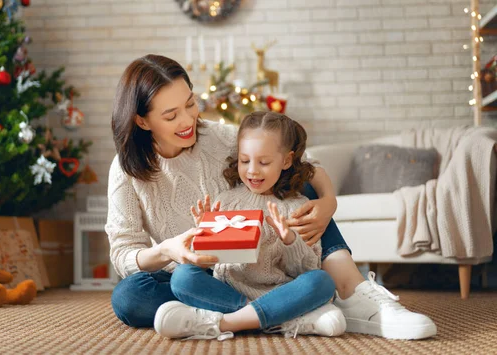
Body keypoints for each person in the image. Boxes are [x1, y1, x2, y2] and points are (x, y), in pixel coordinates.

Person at [106, 54, 436, 340]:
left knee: (286, 174)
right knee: (129, 297)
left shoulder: (216, 137)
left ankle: (353, 292)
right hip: (194, 278)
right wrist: (168, 249)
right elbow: (124, 253)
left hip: (251, 265)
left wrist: (329, 201)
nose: (189, 119)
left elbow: (302, 163)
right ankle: (282, 314)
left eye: (190, 103)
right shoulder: (126, 171)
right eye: (171, 115)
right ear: (141, 120)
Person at [154, 111, 347, 340]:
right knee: (183, 277)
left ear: (286, 160)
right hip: (230, 293)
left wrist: (289, 240)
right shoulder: (225, 201)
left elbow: (307, 269)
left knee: (322, 281)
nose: (253, 170)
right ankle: (282, 318)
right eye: (245, 161)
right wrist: (205, 232)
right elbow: (214, 265)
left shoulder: (297, 207)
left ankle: (225, 323)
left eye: (264, 162)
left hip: (280, 292)